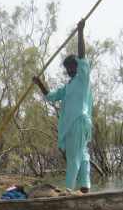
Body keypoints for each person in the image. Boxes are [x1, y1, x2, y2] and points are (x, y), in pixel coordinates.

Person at [33, 18, 92, 194]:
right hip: (74, 125)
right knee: (82, 157)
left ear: (78, 67)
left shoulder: (83, 78)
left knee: (73, 158)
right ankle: (85, 190)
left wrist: (80, 31)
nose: (70, 70)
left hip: (78, 122)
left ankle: (67, 191)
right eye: (67, 68)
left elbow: (82, 57)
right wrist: (39, 83)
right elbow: (51, 96)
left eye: (72, 67)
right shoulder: (67, 86)